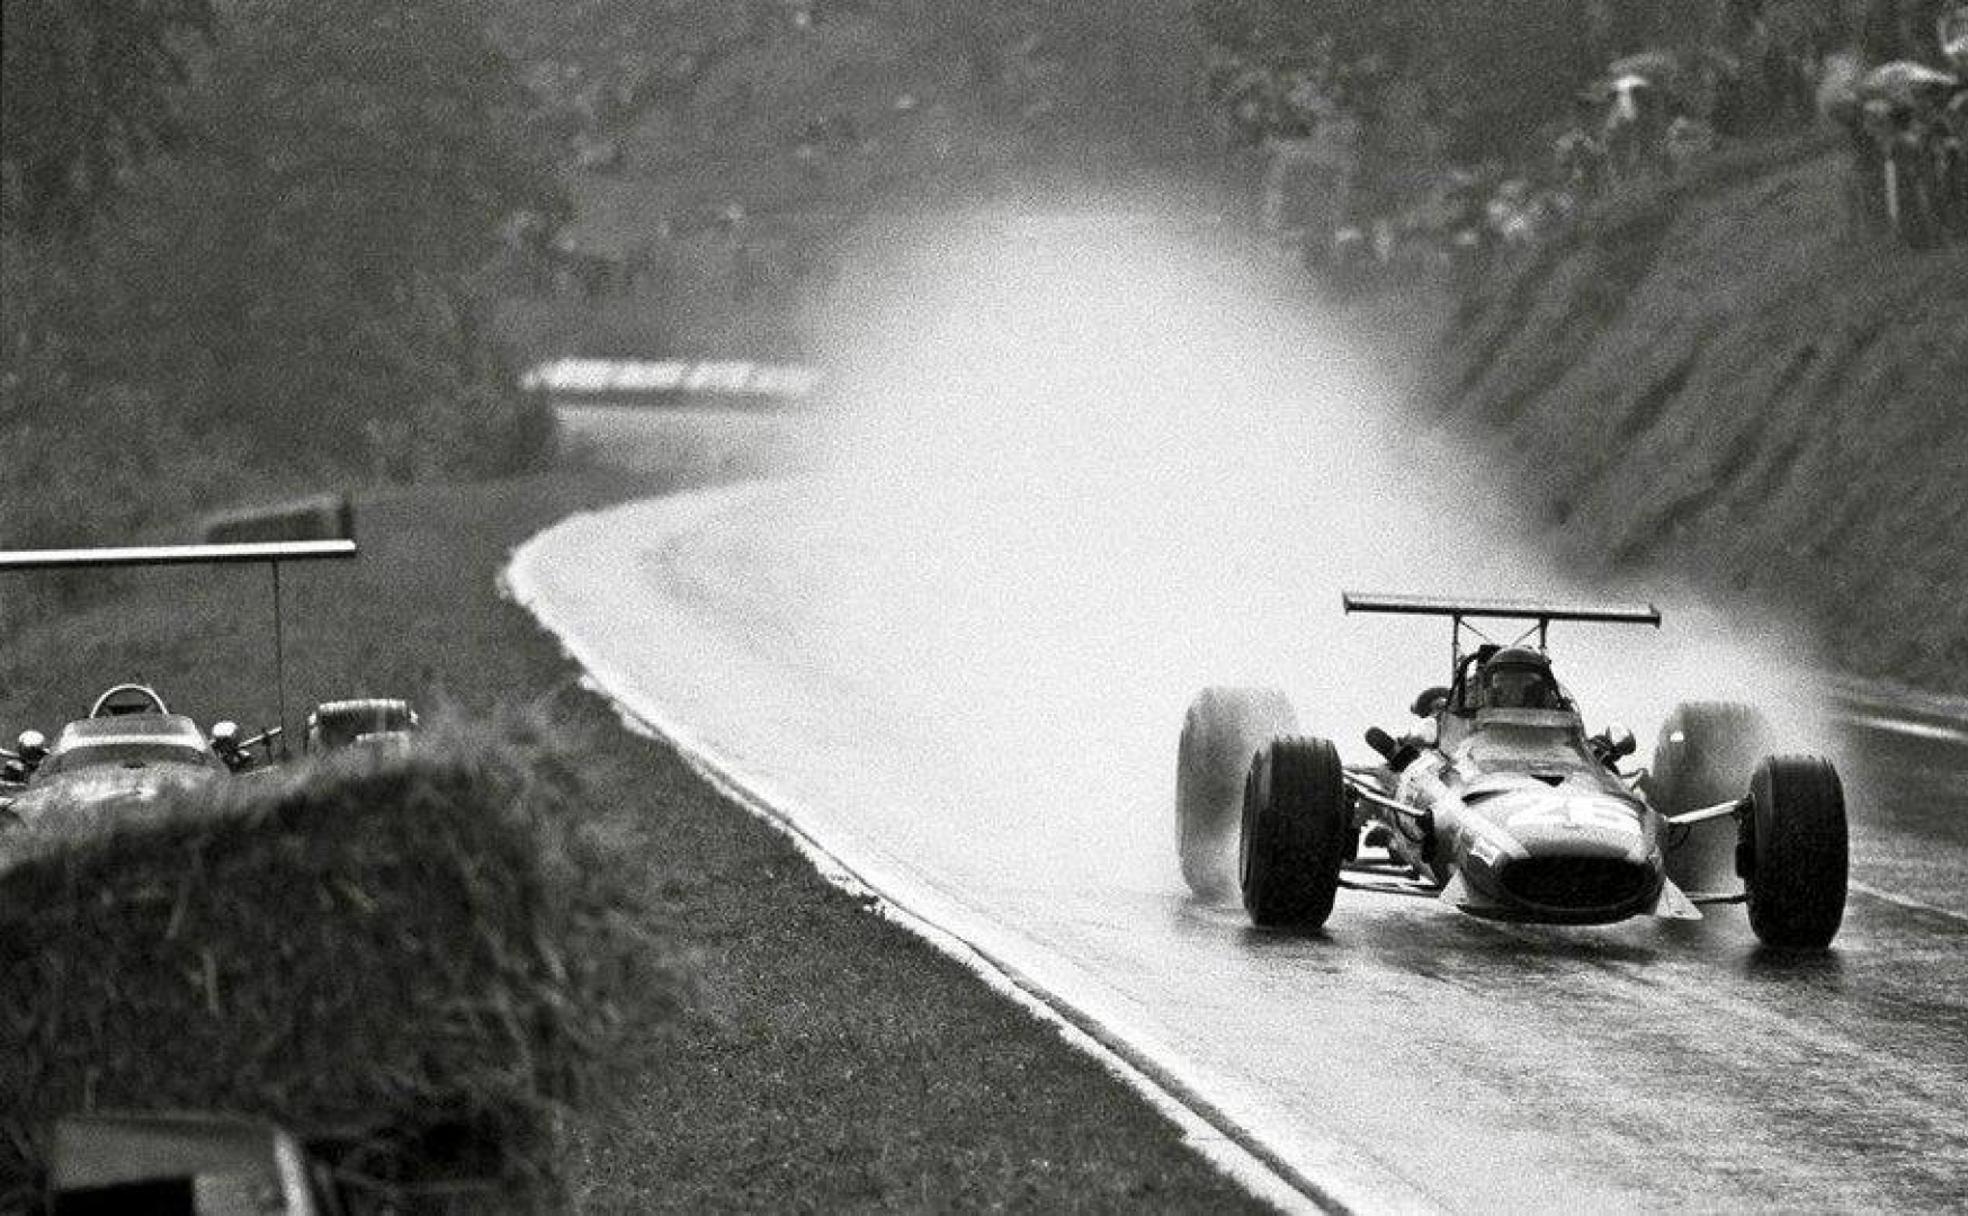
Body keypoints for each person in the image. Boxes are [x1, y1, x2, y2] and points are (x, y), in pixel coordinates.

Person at [1477, 647, 1565, 711]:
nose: (1513, 693)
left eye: (1524, 682)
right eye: (1504, 681)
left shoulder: (1552, 713)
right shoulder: (1480, 710)